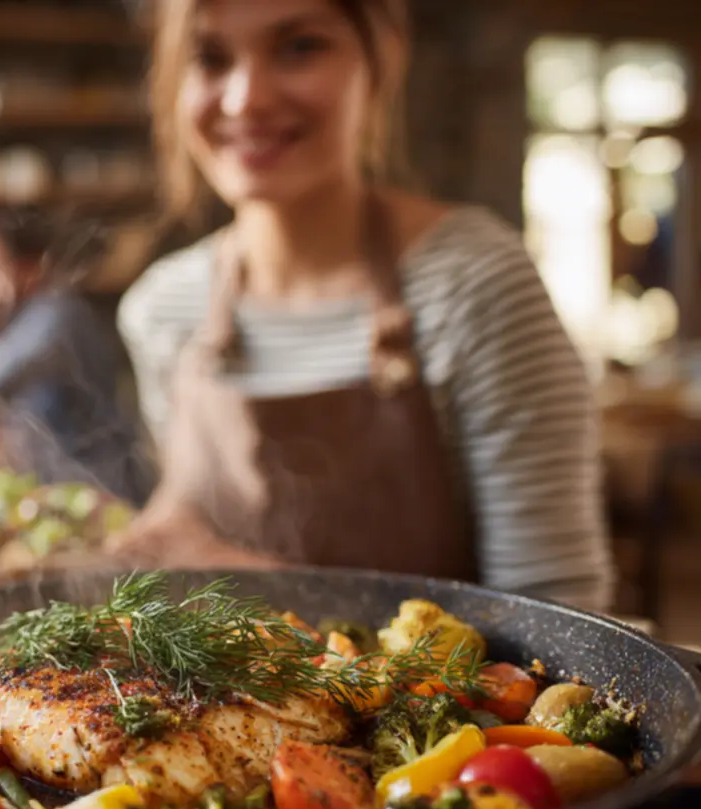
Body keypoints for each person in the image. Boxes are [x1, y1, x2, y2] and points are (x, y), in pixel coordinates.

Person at [107, 0, 613, 609]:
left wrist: (244, 581)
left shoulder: (474, 286)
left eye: (299, 47)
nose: (246, 99)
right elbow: (185, 540)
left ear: (383, 58)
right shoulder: (162, 311)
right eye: (209, 58)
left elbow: (563, 626)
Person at [0, 215, 153, 506]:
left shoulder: (58, 315)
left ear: (28, 267)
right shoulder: (18, 319)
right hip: (57, 496)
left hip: (101, 497)